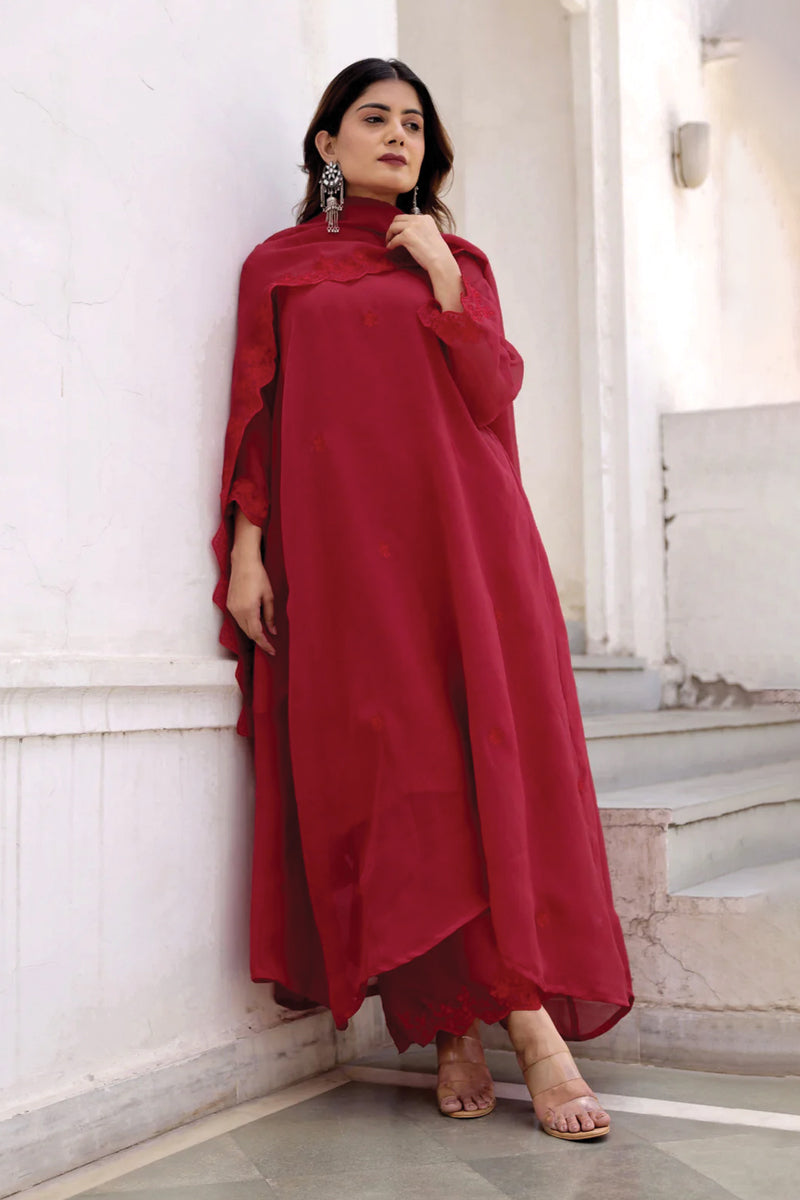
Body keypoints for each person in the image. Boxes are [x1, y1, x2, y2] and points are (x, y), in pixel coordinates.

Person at [212, 56, 634, 1141]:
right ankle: (455, 1020)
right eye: (374, 118)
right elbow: (257, 414)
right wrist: (248, 554)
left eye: (413, 123)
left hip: (465, 550)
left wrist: (444, 277)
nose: (398, 135)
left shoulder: (458, 261)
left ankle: (508, 1028)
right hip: (344, 561)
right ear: (326, 144)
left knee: (474, 768)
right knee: (401, 781)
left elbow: (490, 395)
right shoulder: (277, 269)